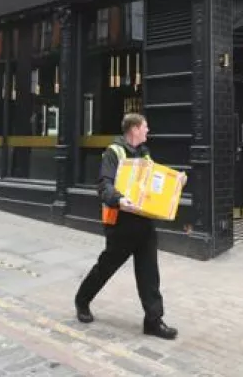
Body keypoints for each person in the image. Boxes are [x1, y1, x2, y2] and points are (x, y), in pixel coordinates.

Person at [74, 113, 177, 340]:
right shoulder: (114, 152)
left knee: (150, 274)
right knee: (106, 268)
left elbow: (155, 179)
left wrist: (177, 180)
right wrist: (118, 199)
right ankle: (82, 300)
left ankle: (153, 320)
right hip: (121, 223)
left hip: (144, 222)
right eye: (145, 127)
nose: (148, 130)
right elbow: (104, 184)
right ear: (134, 129)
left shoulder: (144, 153)